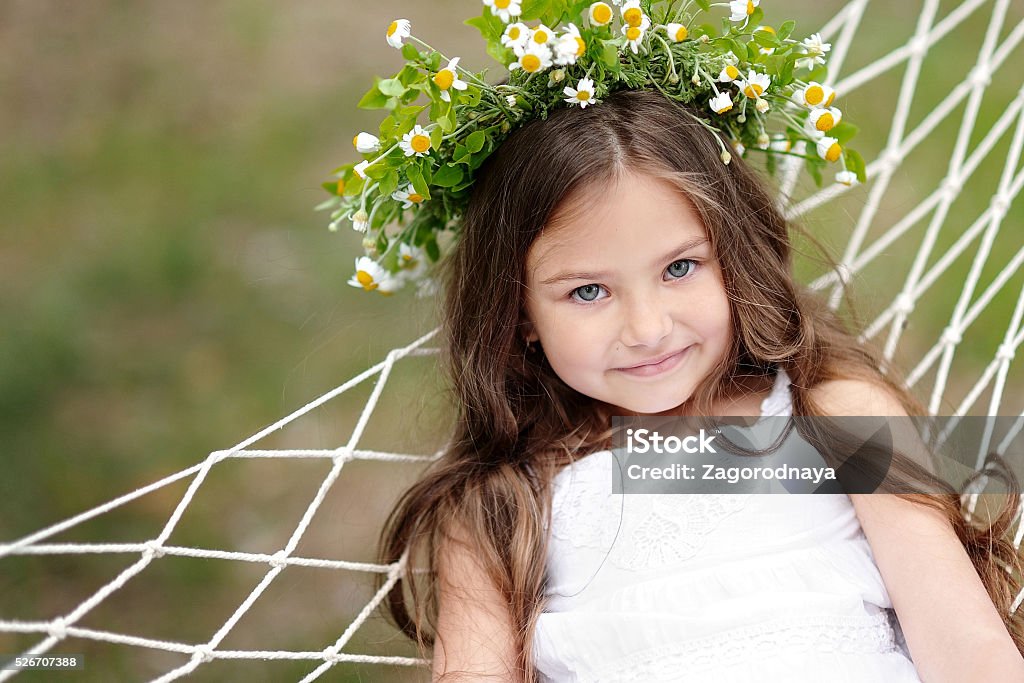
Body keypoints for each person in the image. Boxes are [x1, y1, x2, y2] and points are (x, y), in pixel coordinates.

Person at [321, 3, 1024, 681]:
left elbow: (965, 644)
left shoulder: (834, 410)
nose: (648, 328)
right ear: (519, 310)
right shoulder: (502, 505)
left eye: (679, 267)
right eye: (588, 291)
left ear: (734, 254)